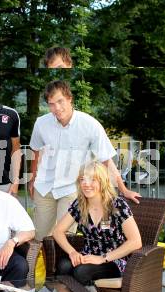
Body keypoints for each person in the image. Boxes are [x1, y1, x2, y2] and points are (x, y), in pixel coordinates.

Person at [29, 80, 140, 240]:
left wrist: (124, 190)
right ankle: (36, 265)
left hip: (71, 189)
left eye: (60, 101)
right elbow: (36, 151)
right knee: (38, 237)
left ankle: (57, 265)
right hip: (44, 187)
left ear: (69, 98)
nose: (57, 108)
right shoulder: (41, 123)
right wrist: (32, 179)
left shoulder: (90, 125)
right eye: (51, 104)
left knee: (64, 237)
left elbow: (106, 161)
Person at [52, 161, 142, 290]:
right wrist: (72, 252)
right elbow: (57, 231)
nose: (86, 184)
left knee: (81, 272)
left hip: (114, 260)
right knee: (63, 266)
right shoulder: (80, 204)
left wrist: (102, 258)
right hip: (88, 256)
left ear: (103, 182)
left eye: (93, 180)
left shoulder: (117, 205)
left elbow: (136, 242)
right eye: (83, 179)